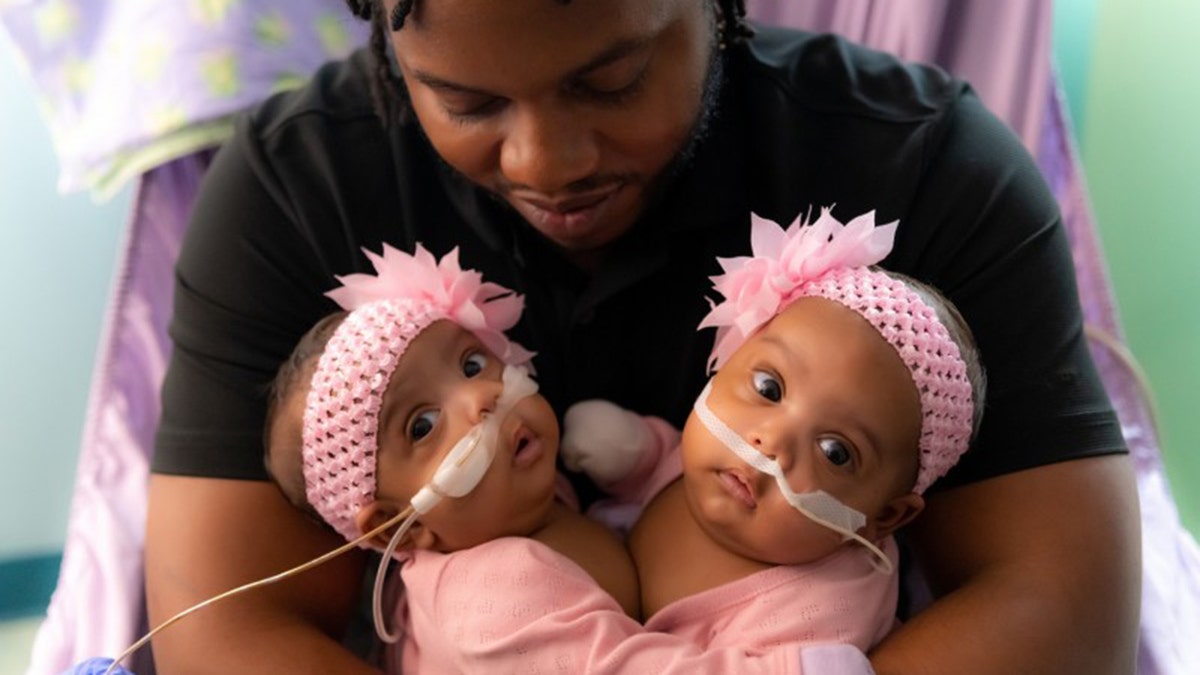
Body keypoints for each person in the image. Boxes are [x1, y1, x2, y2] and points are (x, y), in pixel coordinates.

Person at [144, 1, 1140, 673]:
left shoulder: (924, 164)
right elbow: (227, 623)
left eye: (612, 81)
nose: (548, 161)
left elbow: (1063, 602)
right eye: (467, 102)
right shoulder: (289, 196)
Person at [261, 242, 864, 673]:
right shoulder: (492, 601)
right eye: (422, 424)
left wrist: (641, 459)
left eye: (472, 363)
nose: (483, 396)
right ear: (402, 525)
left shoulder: (523, 504)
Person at [560, 209, 984, 654]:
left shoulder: (815, 617)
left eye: (835, 452)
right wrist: (633, 455)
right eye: (769, 387)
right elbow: (663, 464)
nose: (770, 441)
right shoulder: (711, 462)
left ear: (884, 518)